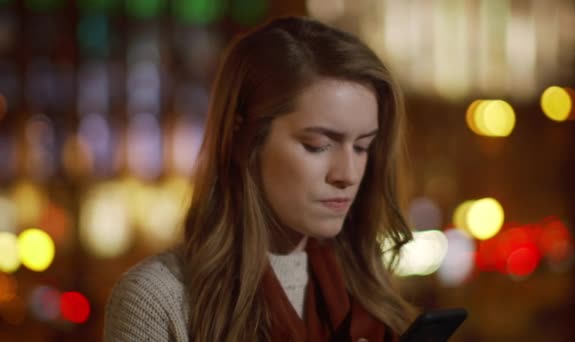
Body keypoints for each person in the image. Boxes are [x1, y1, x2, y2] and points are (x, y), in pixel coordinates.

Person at [104, 16, 418, 342]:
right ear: (246, 138)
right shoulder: (160, 299)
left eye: (362, 147)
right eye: (318, 146)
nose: (348, 175)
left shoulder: (366, 294)